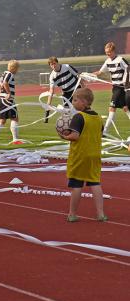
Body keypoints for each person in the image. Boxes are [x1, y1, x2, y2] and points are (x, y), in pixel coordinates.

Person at [60, 88, 106, 222]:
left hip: (80, 156)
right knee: (95, 183)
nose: (73, 103)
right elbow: (100, 133)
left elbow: (74, 136)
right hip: (95, 155)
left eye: (75, 100)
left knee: (76, 185)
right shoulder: (97, 117)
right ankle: (100, 214)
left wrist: (64, 136)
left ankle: (72, 214)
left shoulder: (79, 117)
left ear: (84, 102)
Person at [93, 42, 130, 135]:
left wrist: (126, 83)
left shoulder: (121, 60)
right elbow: (101, 72)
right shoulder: (108, 61)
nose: (107, 54)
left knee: (112, 108)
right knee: (125, 108)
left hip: (120, 88)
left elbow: (128, 69)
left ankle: (105, 131)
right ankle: (105, 131)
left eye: (109, 52)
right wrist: (89, 74)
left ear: (113, 51)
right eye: (106, 52)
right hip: (115, 87)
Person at [0, 60, 22, 145]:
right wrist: (8, 93)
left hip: (1, 99)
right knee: (14, 118)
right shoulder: (10, 74)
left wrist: (1, 92)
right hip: (7, 100)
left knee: (2, 120)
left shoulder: (4, 73)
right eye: (17, 68)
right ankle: (15, 139)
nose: (18, 70)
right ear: (14, 68)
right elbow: (5, 83)